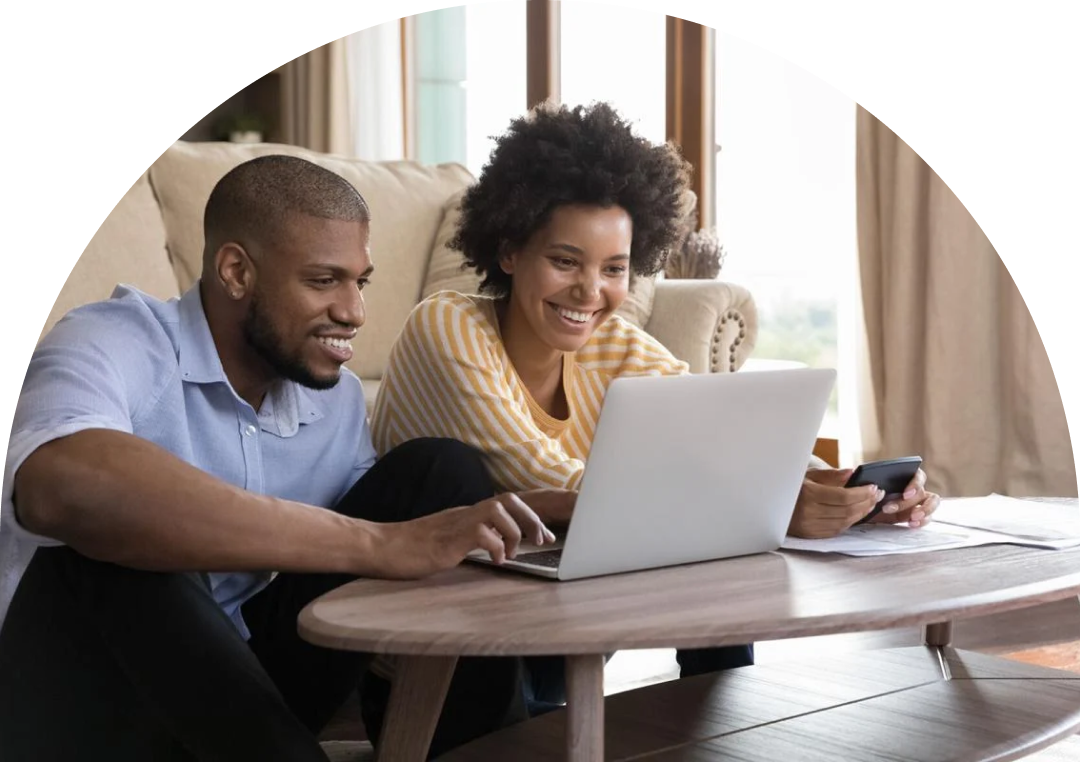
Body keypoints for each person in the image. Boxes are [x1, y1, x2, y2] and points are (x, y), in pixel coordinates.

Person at [364, 101, 941, 733]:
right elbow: (569, 486)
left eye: (614, 269)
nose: (591, 292)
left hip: (559, 629)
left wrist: (852, 486)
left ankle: (725, 730)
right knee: (707, 517)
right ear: (508, 251)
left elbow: (727, 434)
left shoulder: (613, 346)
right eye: (565, 261)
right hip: (439, 673)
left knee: (716, 532)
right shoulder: (446, 327)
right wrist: (773, 502)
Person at [0, 155, 563, 760]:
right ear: (237, 271)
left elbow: (400, 533)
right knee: (109, 549)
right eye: (324, 281)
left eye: (360, 282)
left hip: (238, 692)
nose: (354, 312)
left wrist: (565, 508)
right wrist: (377, 545)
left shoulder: (334, 397)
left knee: (441, 472)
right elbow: (58, 482)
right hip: (82, 708)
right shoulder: (111, 340)